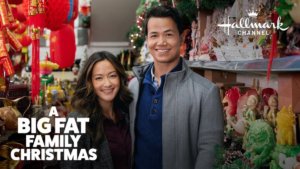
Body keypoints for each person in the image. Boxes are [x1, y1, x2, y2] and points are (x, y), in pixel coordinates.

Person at [128, 5, 224, 169]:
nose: (161, 42)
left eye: (168, 34)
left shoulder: (206, 92)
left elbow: (211, 153)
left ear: (181, 37)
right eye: (154, 35)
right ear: (147, 40)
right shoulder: (134, 87)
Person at [61, 51, 133, 169]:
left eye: (112, 75)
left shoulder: (127, 112)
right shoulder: (76, 121)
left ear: (120, 78)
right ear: (89, 82)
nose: (107, 83)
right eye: (99, 78)